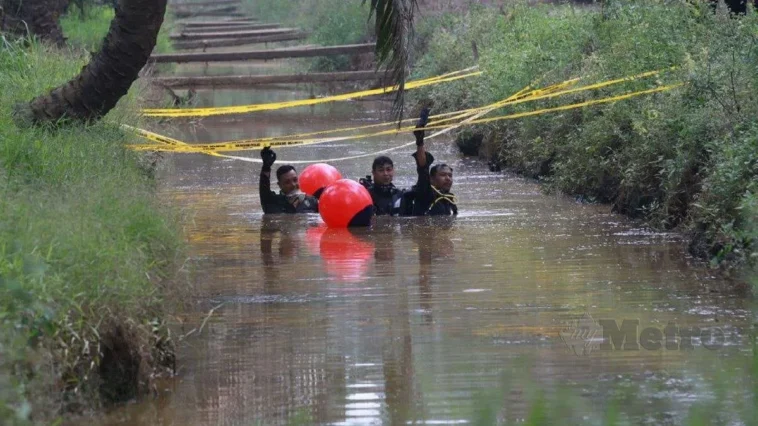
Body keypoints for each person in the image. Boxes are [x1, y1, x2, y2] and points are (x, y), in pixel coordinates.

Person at [410, 108, 458, 216]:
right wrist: (420, 141)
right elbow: (422, 167)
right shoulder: (425, 193)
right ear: (431, 179)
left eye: (450, 175)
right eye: (443, 175)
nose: (448, 178)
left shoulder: (449, 198)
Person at [259, 146, 319, 214]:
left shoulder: (312, 201)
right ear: (279, 185)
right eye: (287, 182)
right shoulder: (271, 202)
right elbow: (264, 188)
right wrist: (266, 167)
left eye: (295, 180)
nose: (293, 184)